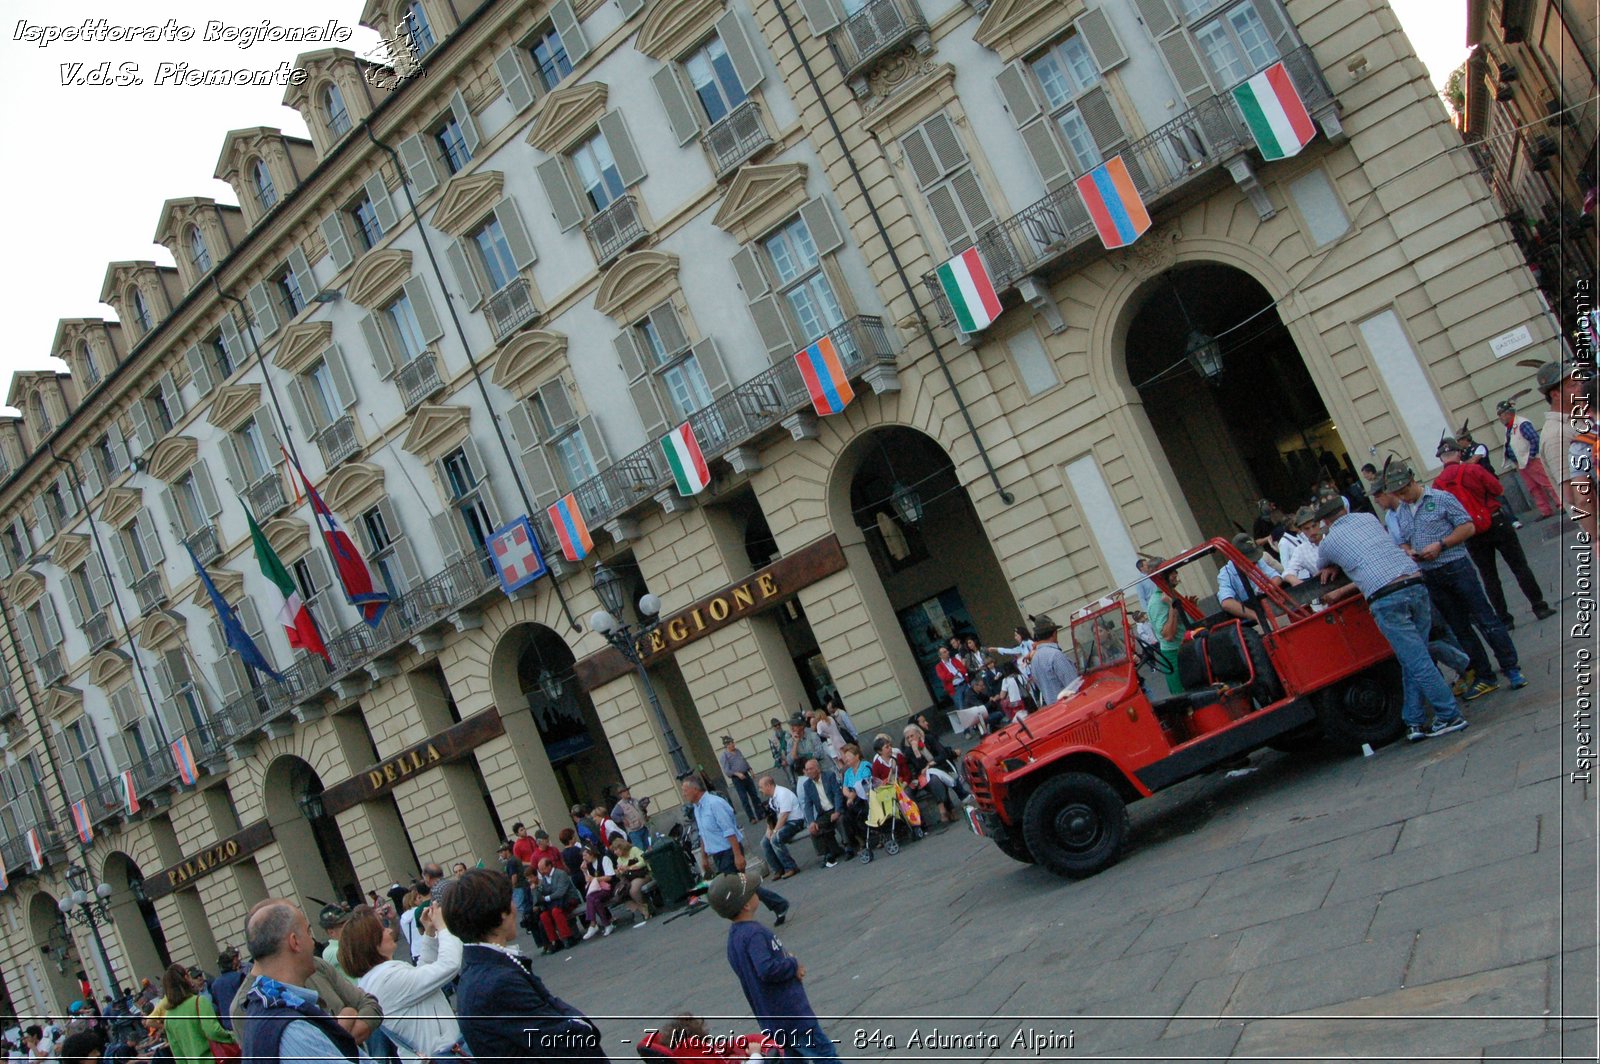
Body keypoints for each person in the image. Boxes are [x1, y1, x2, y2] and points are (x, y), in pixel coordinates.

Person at [1316, 495, 1469, 742]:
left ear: (1324, 521)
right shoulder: (1368, 518)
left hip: (1385, 596)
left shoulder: (1328, 542)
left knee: (1416, 659)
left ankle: (1449, 714)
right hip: (1414, 581)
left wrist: (1332, 566)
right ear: (1346, 507)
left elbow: (1321, 564)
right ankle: (1415, 719)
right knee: (1412, 657)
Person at [1388, 460, 1524, 695]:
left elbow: (1467, 527)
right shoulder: (1401, 512)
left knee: (1486, 619)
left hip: (1456, 566)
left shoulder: (1441, 499)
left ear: (1413, 481)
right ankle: (1484, 675)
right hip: (1431, 575)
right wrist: (1408, 550)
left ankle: (1511, 667)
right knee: (1460, 628)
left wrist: (1442, 544)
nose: (1404, 497)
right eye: (1398, 495)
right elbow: (1404, 540)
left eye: (1405, 491)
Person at [442, 868, 606, 1062]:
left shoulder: (478, 969)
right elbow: (569, 1042)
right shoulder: (498, 982)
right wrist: (582, 1026)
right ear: (501, 913)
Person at [707, 872, 838, 1059]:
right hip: (792, 1015)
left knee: (793, 1058)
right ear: (745, 904)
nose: (757, 893)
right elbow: (766, 969)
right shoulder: (754, 934)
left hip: (772, 1019)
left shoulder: (734, 938)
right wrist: (792, 964)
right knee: (825, 1055)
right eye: (753, 891)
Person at [1434, 435, 1554, 626]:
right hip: (1495, 522)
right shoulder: (1473, 469)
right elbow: (1498, 489)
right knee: (1519, 566)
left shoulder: (1438, 485)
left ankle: (1504, 619)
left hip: (1470, 532)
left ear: (1441, 458)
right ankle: (1539, 606)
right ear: (1459, 453)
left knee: (1489, 577)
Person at [230, 901, 382, 1041]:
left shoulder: (315, 966)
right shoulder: (246, 1005)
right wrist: (342, 1031)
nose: (313, 941)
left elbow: (370, 1004)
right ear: (293, 940)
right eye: (308, 932)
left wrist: (349, 1031)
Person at [339, 904, 463, 1064]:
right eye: (383, 929)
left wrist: (430, 933)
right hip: (439, 1055)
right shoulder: (386, 978)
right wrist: (443, 927)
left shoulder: (379, 976)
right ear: (371, 943)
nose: (389, 931)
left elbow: (423, 977)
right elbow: (449, 965)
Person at [681, 775, 790, 923]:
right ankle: (777, 905)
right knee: (741, 886)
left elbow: (729, 830)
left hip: (729, 851)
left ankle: (761, 912)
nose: (684, 794)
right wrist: (704, 857)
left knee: (737, 887)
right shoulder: (697, 808)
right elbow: (703, 833)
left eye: (685, 790)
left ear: (695, 789)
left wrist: (738, 855)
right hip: (718, 854)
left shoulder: (714, 804)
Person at [1536, 360, 1598, 541]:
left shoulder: (1580, 417)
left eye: (1580, 383)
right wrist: (1596, 539)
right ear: (1555, 394)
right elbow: (1574, 496)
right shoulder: (1557, 435)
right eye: (1573, 385)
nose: (1581, 388)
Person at [1499, 397, 1562, 517]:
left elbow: (1534, 439)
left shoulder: (1522, 423)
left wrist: (1531, 456)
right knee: (1533, 488)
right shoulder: (1510, 427)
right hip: (1521, 463)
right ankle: (1545, 511)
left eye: (1501, 415)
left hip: (1530, 461)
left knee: (1547, 483)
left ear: (1508, 413)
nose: (1500, 418)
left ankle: (1561, 504)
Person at [160, 963, 232, 1064]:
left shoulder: (168, 1017)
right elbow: (213, 1031)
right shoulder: (199, 1002)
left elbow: (178, 1054)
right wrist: (233, 1037)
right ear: (185, 978)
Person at [902, 724, 964, 822]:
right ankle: (950, 809)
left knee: (935, 777)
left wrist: (930, 764)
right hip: (925, 777)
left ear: (918, 734)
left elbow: (942, 754)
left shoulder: (929, 739)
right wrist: (917, 753)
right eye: (908, 738)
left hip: (941, 768)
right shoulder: (909, 751)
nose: (910, 739)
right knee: (934, 779)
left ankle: (943, 808)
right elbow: (917, 769)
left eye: (912, 736)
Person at [794, 758, 849, 867]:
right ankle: (827, 854)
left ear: (818, 769)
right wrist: (811, 822)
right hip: (824, 813)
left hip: (835, 808)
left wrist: (837, 811)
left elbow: (837, 794)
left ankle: (848, 846)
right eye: (806, 770)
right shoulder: (807, 785)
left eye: (811, 769)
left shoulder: (829, 776)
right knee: (814, 829)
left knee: (840, 820)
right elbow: (808, 805)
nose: (808, 772)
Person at [1218, 533, 1282, 624]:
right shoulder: (1226, 574)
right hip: (1249, 620)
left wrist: (1268, 588)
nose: (1253, 563)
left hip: (1270, 608)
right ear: (1236, 557)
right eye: (1249, 560)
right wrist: (1255, 615)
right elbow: (1226, 603)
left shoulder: (1258, 561)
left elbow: (1276, 577)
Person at [756, 776, 804, 879]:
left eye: (761, 787)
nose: (760, 790)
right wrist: (769, 830)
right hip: (783, 823)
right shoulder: (771, 798)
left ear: (768, 786)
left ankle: (790, 867)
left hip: (794, 822)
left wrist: (775, 831)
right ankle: (778, 869)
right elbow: (771, 817)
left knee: (775, 838)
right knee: (764, 842)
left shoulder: (782, 794)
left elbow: (784, 815)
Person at [532, 857, 583, 954]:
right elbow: (539, 897)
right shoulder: (543, 880)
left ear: (549, 866)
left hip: (568, 900)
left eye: (543, 869)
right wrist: (535, 889)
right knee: (544, 916)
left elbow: (561, 892)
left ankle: (567, 937)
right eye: (540, 870)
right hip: (555, 903)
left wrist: (546, 898)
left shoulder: (561, 874)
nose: (542, 872)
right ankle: (555, 940)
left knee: (556, 912)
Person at [1027, 615, 1078, 703]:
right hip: (1070, 706)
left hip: (1054, 710)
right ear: (1054, 633)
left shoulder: (1034, 659)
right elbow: (1074, 686)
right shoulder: (1056, 655)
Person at [607, 835, 655, 925]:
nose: (615, 852)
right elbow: (623, 876)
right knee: (621, 893)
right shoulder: (619, 860)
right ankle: (643, 909)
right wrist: (619, 873)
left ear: (622, 847)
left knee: (633, 890)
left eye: (616, 849)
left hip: (642, 874)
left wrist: (630, 867)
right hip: (630, 878)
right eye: (614, 850)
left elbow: (643, 861)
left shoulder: (634, 850)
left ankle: (645, 909)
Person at [717, 737, 763, 823]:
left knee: (754, 795)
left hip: (746, 775)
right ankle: (751, 818)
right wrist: (737, 773)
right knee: (744, 798)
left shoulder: (737, 751)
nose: (733, 744)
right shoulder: (725, 756)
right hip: (737, 779)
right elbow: (727, 771)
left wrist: (750, 770)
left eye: (733, 742)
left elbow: (744, 761)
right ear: (727, 745)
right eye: (731, 743)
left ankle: (760, 813)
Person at [577, 845, 617, 940]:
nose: (584, 858)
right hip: (598, 889)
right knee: (595, 900)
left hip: (609, 887)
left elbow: (610, 877)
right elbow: (589, 881)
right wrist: (584, 871)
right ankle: (607, 924)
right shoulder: (589, 865)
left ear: (592, 853)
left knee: (590, 897)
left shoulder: (604, 859)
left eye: (585, 855)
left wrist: (595, 878)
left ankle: (593, 924)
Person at [498, 841, 534, 933]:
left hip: (519, 886)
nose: (501, 854)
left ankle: (530, 925)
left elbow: (514, 876)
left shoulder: (511, 861)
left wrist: (511, 887)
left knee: (522, 906)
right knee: (525, 905)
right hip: (523, 885)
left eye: (501, 852)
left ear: (507, 851)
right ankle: (530, 924)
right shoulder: (515, 859)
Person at [209, 951, 247, 1032]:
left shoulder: (215, 985)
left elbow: (216, 1007)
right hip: (244, 1022)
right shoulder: (239, 977)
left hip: (228, 1026)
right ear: (231, 963)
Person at [610, 785, 651, 852]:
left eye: (627, 790)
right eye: (625, 791)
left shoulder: (635, 800)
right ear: (621, 794)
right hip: (634, 832)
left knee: (649, 846)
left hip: (643, 827)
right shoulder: (620, 805)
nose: (627, 792)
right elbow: (613, 815)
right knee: (640, 850)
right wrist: (622, 819)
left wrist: (645, 815)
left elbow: (641, 810)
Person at [318, 905, 351, 975]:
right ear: (331, 932)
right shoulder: (329, 952)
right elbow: (355, 953)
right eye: (343, 924)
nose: (349, 926)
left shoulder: (351, 943)